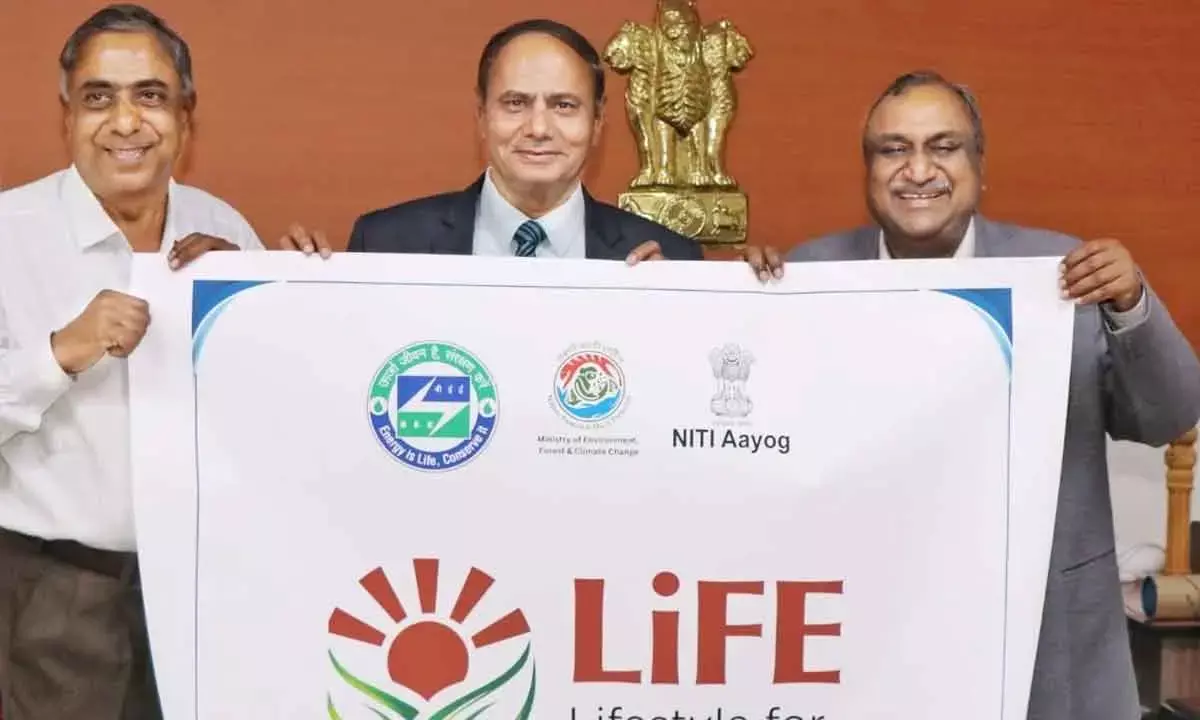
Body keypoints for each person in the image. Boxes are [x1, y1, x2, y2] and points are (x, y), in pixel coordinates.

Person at [744, 70, 1200, 720]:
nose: (918, 169)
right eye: (893, 149)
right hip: (870, 630)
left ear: (980, 168)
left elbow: (1168, 415)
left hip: (1047, 640)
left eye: (944, 146)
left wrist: (1131, 304)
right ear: (868, 170)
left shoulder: (1065, 276)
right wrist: (743, 306)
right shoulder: (809, 273)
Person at [0, 4, 263, 718]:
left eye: (150, 95)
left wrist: (262, 307)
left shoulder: (224, 229)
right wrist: (61, 352)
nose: (125, 122)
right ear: (66, 116)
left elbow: (270, 418)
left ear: (185, 115)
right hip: (55, 596)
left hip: (208, 590)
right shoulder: (9, 235)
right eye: (98, 98)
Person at [278, 19, 703, 262]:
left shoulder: (669, 259)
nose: (538, 128)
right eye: (515, 103)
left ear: (597, 123)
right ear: (482, 117)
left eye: (564, 105)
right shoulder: (386, 243)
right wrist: (298, 292)